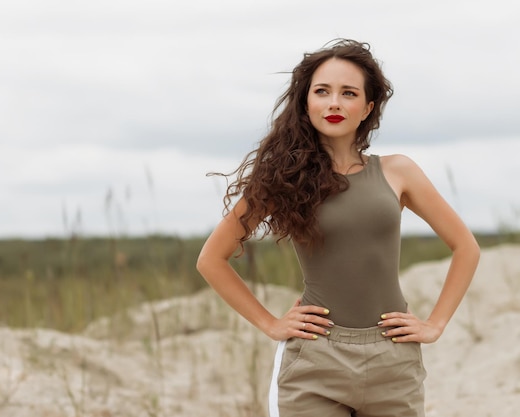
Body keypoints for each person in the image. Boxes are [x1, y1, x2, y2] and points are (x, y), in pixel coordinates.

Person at [196, 39, 480, 417]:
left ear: (367, 107)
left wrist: (435, 324)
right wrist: (270, 323)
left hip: (392, 359)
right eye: (322, 91)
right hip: (315, 359)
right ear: (305, 103)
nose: (334, 103)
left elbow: (466, 247)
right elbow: (211, 260)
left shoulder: (399, 171)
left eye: (348, 93)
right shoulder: (282, 178)